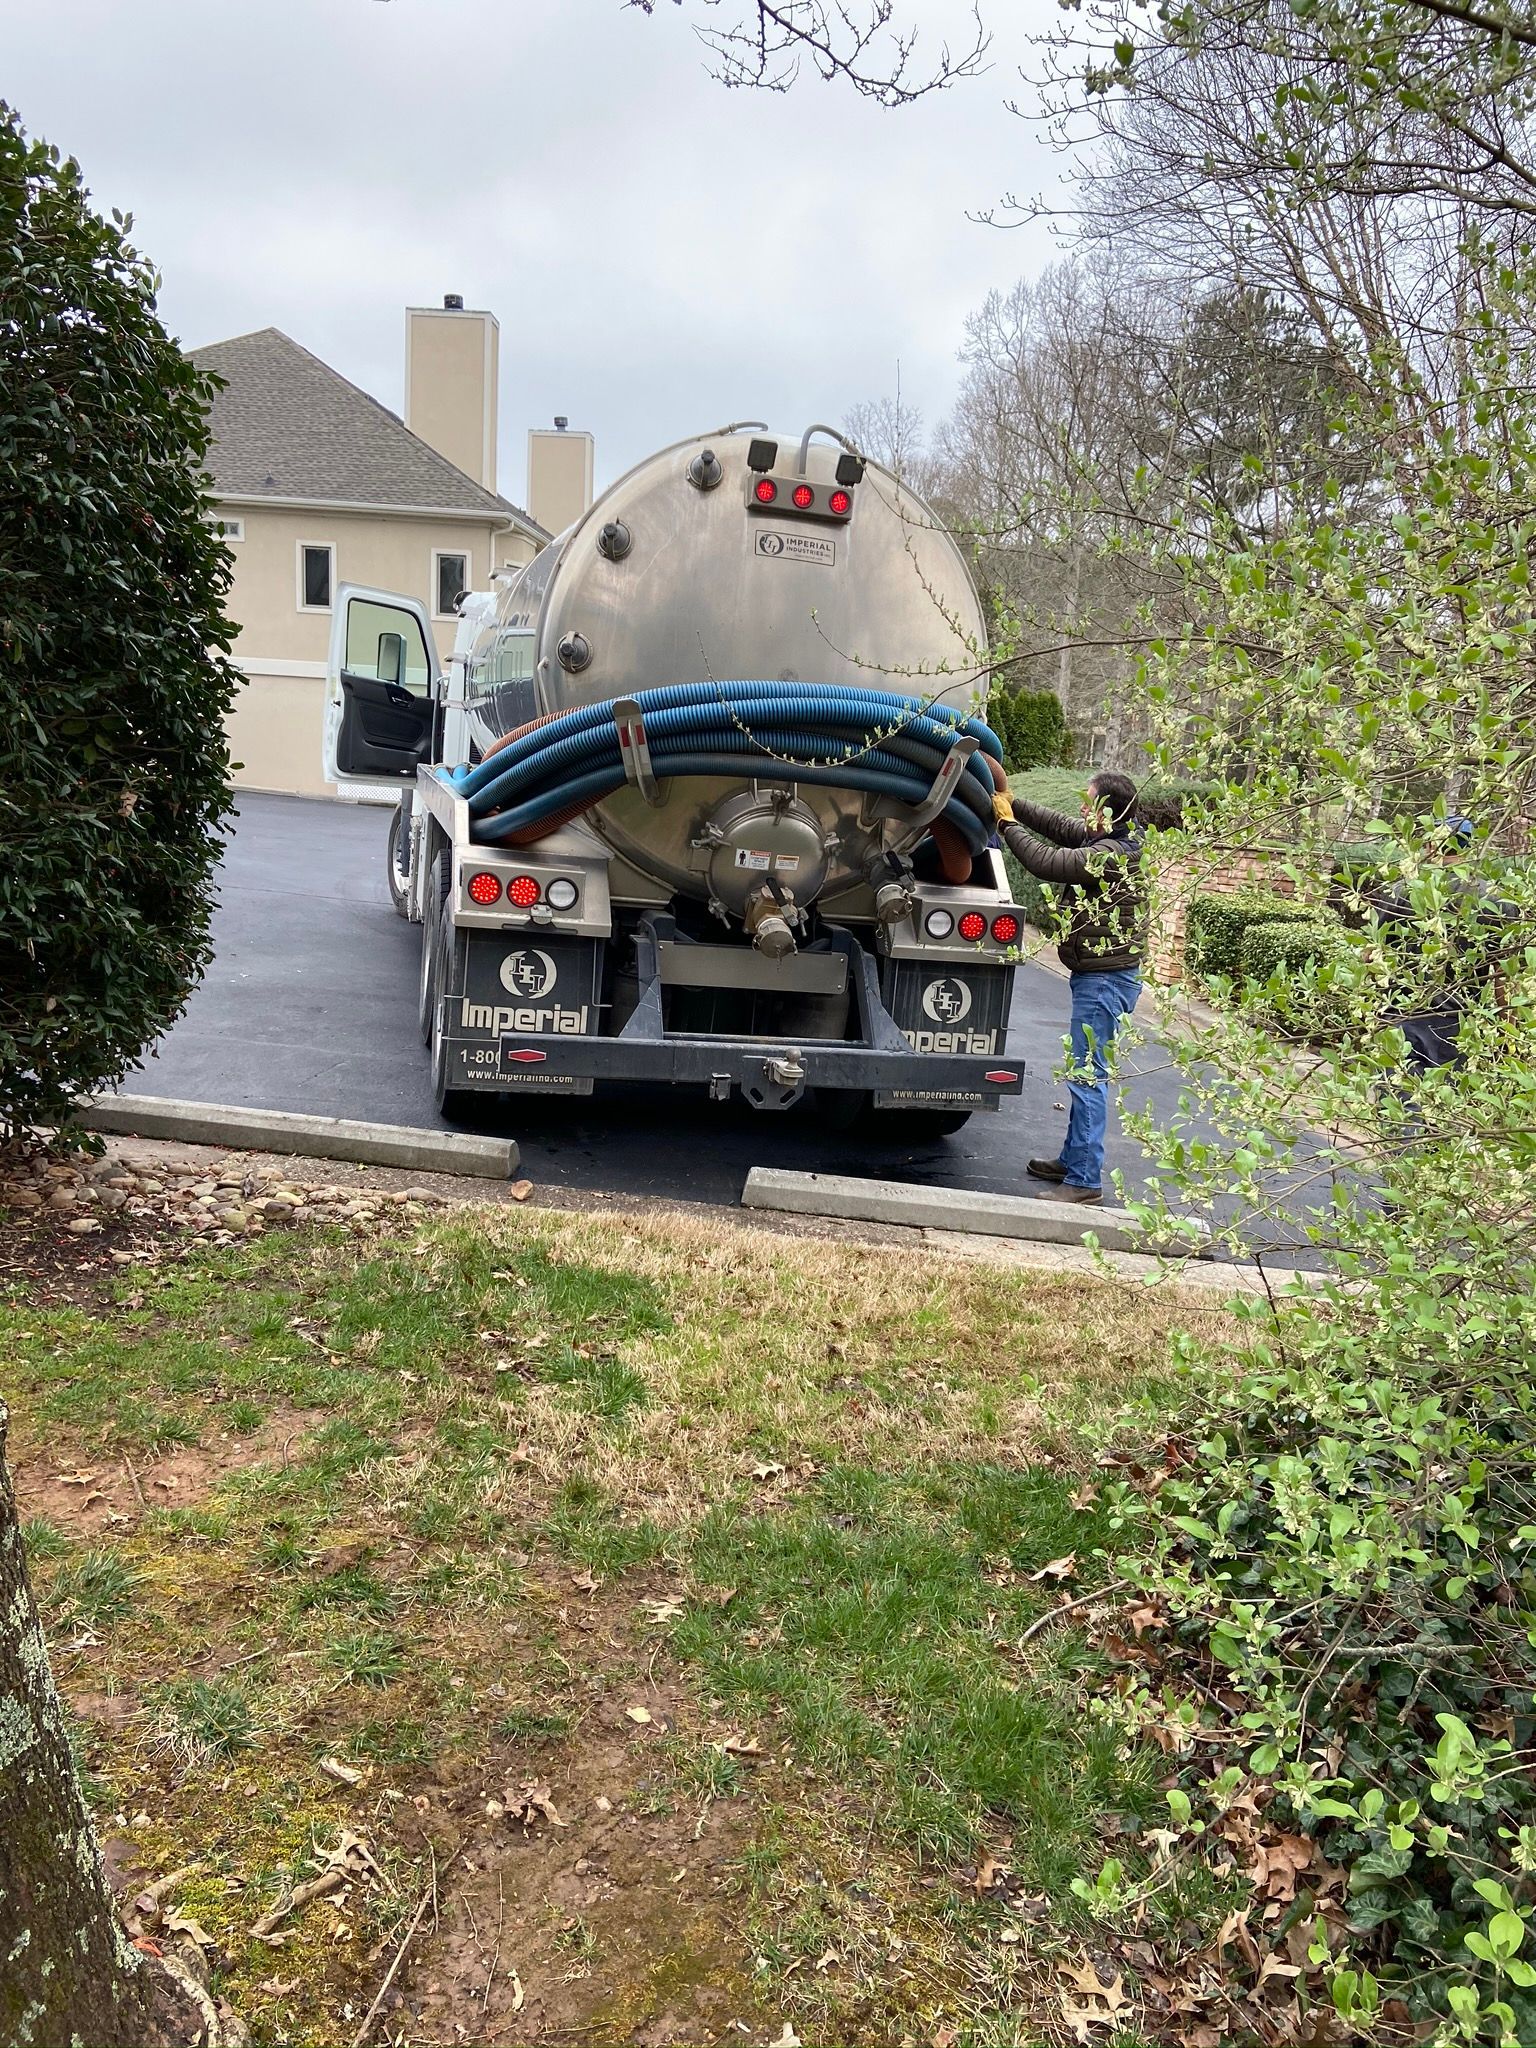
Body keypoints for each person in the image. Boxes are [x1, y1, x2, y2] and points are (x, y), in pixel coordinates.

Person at [993, 772, 1147, 1204]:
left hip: (1104, 982)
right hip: (1100, 978)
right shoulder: (1113, 838)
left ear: (1108, 812)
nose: (1082, 809)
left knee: (1087, 1076)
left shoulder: (1113, 854)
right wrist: (1013, 802)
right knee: (1084, 1072)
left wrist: (1006, 825)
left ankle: (1083, 1181)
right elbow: (1061, 828)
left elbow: (1048, 862)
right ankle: (1073, 1159)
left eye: (1090, 802)